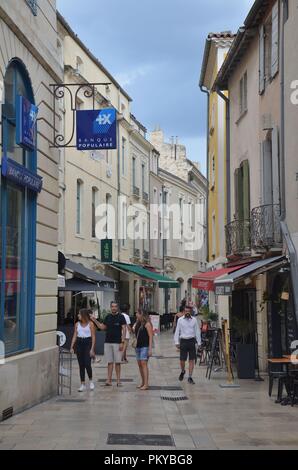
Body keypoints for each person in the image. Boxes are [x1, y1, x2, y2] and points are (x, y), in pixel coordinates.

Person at [91, 301, 126, 387]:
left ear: (117, 307)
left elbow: (124, 329)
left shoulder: (121, 317)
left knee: (118, 362)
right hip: (108, 342)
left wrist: (122, 341)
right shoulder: (108, 317)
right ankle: (108, 380)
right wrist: (94, 319)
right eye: (112, 306)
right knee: (109, 362)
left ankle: (118, 381)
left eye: (115, 306)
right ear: (110, 307)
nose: (113, 308)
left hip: (117, 342)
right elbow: (102, 327)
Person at [174, 305, 201, 385]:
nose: (187, 313)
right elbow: (177, 331)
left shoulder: (194, 320)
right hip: (183, 341)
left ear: (191, 312)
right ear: (184, 312)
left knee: (191, 360)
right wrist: (176, 342)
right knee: (182, 360)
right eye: (186, 311)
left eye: (188, 311)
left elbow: (197, 332)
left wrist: (199, 343)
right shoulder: (180, 320)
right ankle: (183, 371)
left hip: (192, 341)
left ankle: (190, 377)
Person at [70, 309, 96, 392]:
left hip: (87, 342)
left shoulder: (91, 324)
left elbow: (93, 337)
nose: (78, 315)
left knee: (87, 363)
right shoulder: (77, 324)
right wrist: (71, 346)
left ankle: (91, 381)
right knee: (81, 364)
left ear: (84, 315)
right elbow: (75, 335)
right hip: (79, 343)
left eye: (79, 314)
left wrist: (92, 348)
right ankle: (82, 384)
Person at [134, 310, 153, 391]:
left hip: (145, 346)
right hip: (138, 346)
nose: (136, 315)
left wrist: (150, 349)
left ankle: (146, 384)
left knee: (143, 364)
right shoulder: (138, 323)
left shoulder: (147, 324)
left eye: (137, 313)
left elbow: (151, 336)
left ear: (141, 314)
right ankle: (142, 382)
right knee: (139, 364)